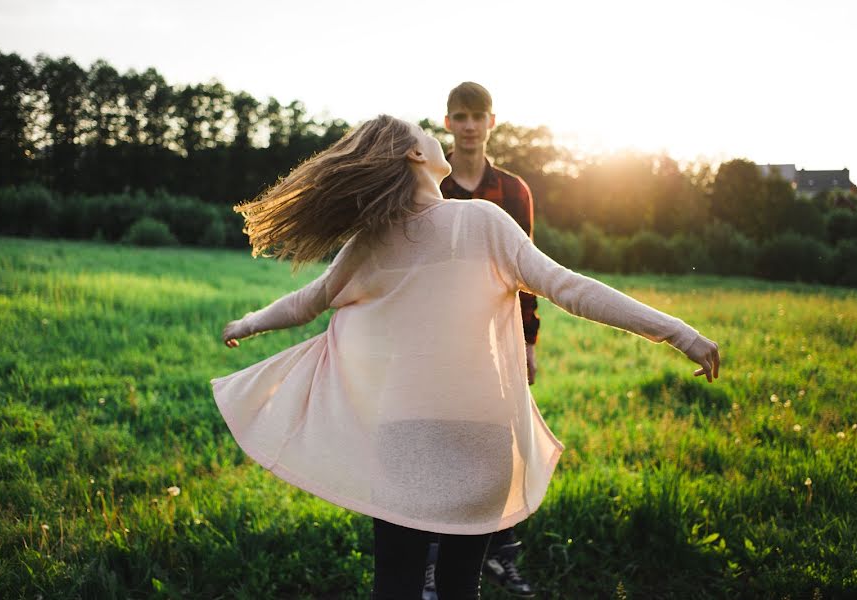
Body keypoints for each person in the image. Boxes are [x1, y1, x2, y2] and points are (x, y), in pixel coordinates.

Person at [212, 115, 721, 600]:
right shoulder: (481, 221)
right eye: (424, 133)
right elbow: (570, 288)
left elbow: (307, 303)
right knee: (460, 588)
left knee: (396, 585)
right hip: (482, 434)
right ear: (416, 153)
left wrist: (248, 323)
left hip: (403, 432)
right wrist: (677, 332)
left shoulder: (369, 244)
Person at [425, 81, 539, 598]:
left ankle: (499, 554)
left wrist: (529, 341)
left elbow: (526, 272)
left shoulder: (514, 191)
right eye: (460, 116)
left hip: (497, 342)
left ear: (492, 122)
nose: (469, 125)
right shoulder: (427, 184)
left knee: (497, 448)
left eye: (479, 116)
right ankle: (429, 563)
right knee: (437, 445)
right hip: (434, 340)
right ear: (447, 122)